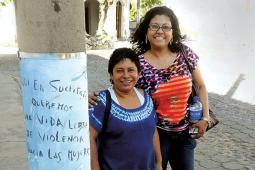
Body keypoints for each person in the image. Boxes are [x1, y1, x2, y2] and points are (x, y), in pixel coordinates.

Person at [89, 6, 209, 170]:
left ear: (172, 31)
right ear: (146, 30)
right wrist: (95, 99)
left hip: (185, 133)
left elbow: (201, 86)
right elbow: (124, 88)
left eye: (165, 27)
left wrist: (205, 118)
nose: (160, 31)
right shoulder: (139, 63)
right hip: (155, 134)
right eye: (154, 26)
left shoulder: (185, 53)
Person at [89, 48, 162, 170]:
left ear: (139, 74)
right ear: (111, 75)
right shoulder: (101, 101)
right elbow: (89, 139)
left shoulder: (146, 97)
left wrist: (159, 163)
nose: (126, 75)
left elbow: (153, 132)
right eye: (119, 71)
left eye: (131, 70)